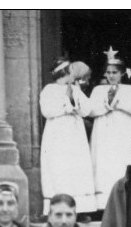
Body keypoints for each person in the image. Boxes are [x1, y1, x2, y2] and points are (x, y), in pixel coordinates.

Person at [40, 57, 97, 214]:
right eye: (71, 71)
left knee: (77, 168)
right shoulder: (49, 90)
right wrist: (67, 103)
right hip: (57, 135)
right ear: (64, 73)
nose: (74, 75)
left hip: (75, 135)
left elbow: (87, 110)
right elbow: (47, 110)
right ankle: (58, 209)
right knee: (60, 168)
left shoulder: (76, 89)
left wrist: (75, 101)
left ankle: (80, 209)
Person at [88, 48, 131, 209]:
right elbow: (91, 110)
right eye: (108, 72)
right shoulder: (98, 90)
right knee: (105, 164)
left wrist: (118, 104)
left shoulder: (130, 90)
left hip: (123, 132)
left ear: (122, 74)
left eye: (114, 72)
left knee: (122, 162)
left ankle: (125, 202)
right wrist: (106, 106)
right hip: (104, 132)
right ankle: (103, 204)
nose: (111, 76)